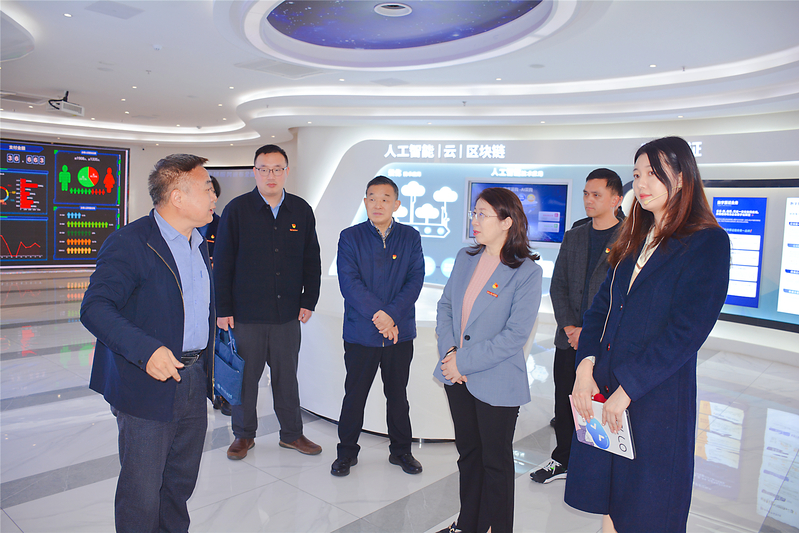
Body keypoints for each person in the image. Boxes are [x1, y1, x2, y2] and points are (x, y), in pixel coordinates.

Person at [565, 136, 731, 533]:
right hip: (605, 389)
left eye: (654, 174)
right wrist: (585, 367)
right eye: (637, 174)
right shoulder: (635, 236)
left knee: (648, 509)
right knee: (611, 504)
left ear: (682, 177)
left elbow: (686, 331)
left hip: (654, 399)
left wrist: (628, 389)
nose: (641, 183)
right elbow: (600, 309)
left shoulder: (707, 242)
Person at [81, 154, 217, 532]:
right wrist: (148, 351)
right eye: (207, 188)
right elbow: (95, 308)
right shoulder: (130, 242)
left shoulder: (198, 242)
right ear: (177, 197)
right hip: (145, 381)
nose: (214, 196)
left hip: (192, 378)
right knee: (141, 492)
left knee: (179, 484)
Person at [435, 187, 543, 533]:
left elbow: (514, 335)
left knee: (495, 464)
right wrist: (450, 354)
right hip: (457, 376)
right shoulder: (465, 258)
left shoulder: (526, 272)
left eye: (482, 214)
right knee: (469, 456)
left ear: (507, 222)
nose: (475, 220)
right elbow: (446, 307)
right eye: (474, 213)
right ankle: (468, 525)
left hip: (496, 380)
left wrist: (462, 362)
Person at [214, 144, 322, 460]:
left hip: (287, 314)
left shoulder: (301, 210)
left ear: (286, 172)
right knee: (245, 380)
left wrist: (309, 299)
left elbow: (312, 259)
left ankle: (292, 434)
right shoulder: (237, 210)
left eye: (277, 169)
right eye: (264, 169)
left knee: (287, 379)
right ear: (255, 172)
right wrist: (223, 308)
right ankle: (243, 435)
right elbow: (223, 262)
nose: (270, 175)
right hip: (245, 314)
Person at [531, 169, 624, 484]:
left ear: (616, 199)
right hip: (567, 338)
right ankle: (562, 459)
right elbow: (557, 285)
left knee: (597, 404)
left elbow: (623, 296)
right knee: (564, 400)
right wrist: (571, 327)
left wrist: (589, 333)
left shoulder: (629, 239)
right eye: (586, 193)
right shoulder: (574, 236)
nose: (588, 200)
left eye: (596, 194)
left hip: (604, 342)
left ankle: (595, 467)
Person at [331, 176, 425, 477]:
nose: (378, 204)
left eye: (385, 199)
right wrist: (380, 316)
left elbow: (415, 280)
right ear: (365, 202)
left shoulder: (410, 237)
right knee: (354, 396)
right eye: (372, 198)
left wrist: (391, 316)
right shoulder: (350, 237)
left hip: (399, 334)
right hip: (361, 333)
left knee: (397, 396)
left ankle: (401, 452)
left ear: (396, 204)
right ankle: (346, 453)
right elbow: (349, 284)